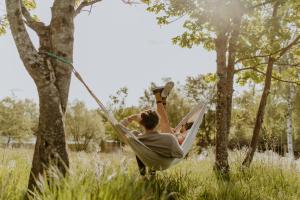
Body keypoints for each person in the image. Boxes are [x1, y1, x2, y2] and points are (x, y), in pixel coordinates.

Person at [120, 82, 184, 176]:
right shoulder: (169, 139)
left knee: (139, 149)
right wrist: (175, 139)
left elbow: (119, 128)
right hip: (164, 163)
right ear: (158, 122)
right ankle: (160, 99)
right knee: (168, 129)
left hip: (149, 161)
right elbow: (180, 154)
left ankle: (161, 99)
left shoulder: (135, 138)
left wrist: (131, 118)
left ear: (141, 123)